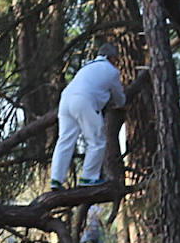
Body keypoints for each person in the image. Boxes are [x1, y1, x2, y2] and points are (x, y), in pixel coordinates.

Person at [49, 42, 126, 190]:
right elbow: (119, 98)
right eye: (116, 59)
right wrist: (120, 103)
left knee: (65, 140)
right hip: (84, 101)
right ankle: (88, 177)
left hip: (65, 100)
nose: (116, 62)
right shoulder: (111, 71)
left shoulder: (87, 66)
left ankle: (56, 180)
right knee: (97, 140)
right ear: (110, 58)